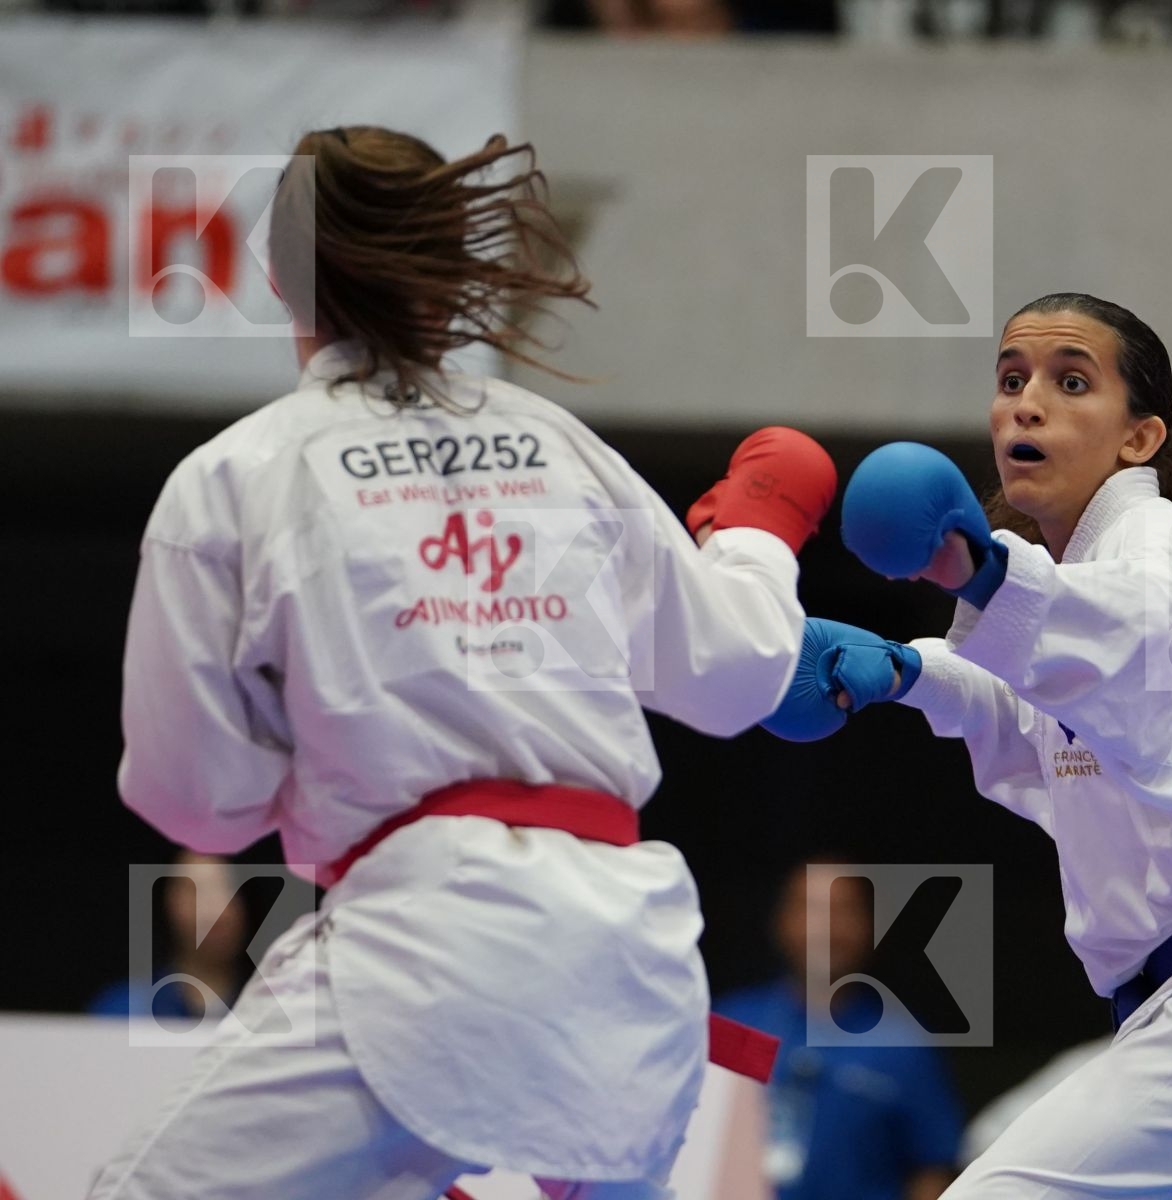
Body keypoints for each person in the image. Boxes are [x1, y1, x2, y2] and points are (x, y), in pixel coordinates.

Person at [92, 125, 836, 1199]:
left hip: (425, 952)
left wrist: (308, 755)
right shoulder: (563, 447)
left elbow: (196, 804)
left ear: (274, 275)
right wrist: (759, 527)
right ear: (450, 273)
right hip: (631, 960)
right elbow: (741, 674)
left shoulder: (234, 480)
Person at [762, 293, 1172, 1198]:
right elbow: (1028, 718)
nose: (1028, 402)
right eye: (1012, 379)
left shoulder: (1155, 541)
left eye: (1069, 381)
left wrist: (969, 568)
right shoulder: (1068, 599)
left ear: (1139, 439)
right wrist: (900, 670)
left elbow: (1115, 636)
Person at [714, 858, 962, 1200]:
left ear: (869, 927)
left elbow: (932, 1168)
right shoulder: (730, 1023)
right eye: (811, 908)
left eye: (842, 910)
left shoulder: (904, 1043)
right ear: (781, 921)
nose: (825, 927)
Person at [88, 850, 249, 1024]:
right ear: (169, 903)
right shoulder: (123, 1011)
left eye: (227, 888)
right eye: (195, 891)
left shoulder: (274, 1009)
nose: (215, 910)